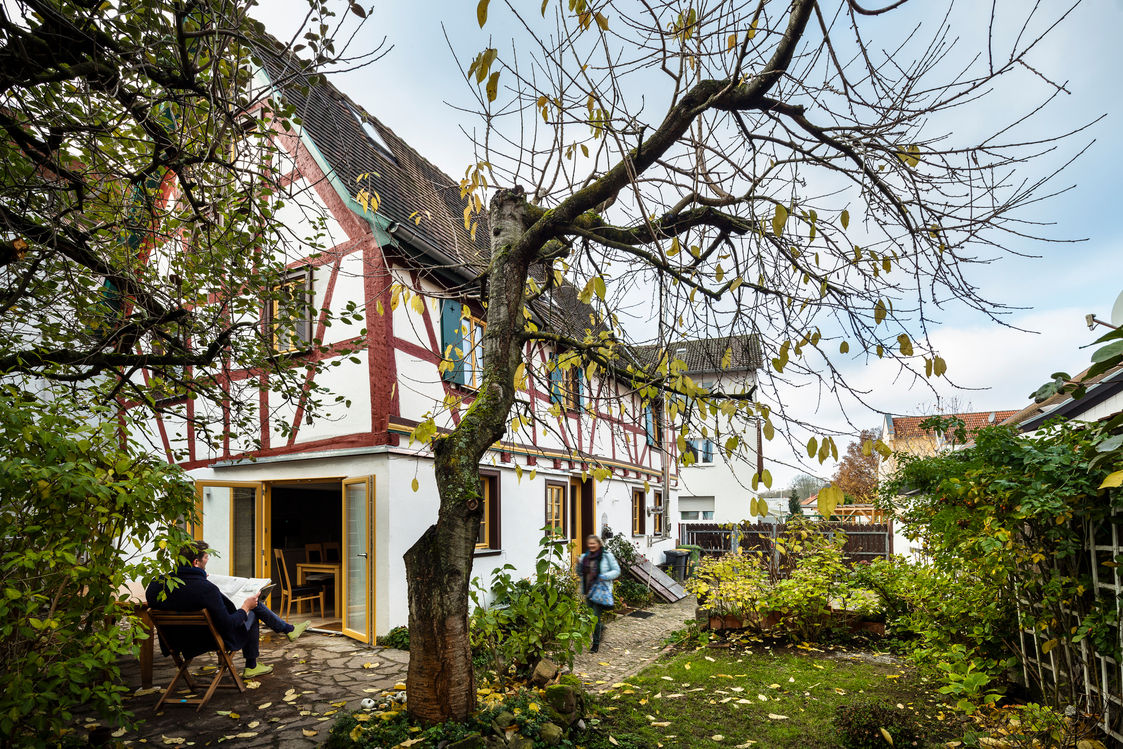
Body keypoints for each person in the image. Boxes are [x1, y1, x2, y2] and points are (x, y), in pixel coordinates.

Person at [145, 540, 310, 677]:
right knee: (253, 608)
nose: (206, 564)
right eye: (206, 560)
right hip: (209, 639)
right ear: (196, 562)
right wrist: (245, 607)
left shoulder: (155, 585)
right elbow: (229, 625)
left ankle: (287, 629)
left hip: (176, 641)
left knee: (251, 606)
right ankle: (253, 664)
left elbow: (183, 596)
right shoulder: (205, 589)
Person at [576, 534, 620, 653]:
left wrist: (605, 576)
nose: (591, 545)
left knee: (595, 617)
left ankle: (595, 645)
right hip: (588, 590)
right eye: (589, 543)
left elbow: (617, 571)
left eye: (593, 543)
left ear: (599, 544)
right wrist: (578, 564)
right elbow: (580, 573)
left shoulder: (607, 556)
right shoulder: (585, 556)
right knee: (591, 618)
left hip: (601, 590)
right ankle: (600, 629)